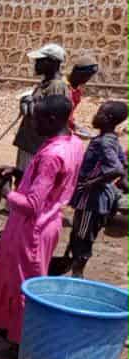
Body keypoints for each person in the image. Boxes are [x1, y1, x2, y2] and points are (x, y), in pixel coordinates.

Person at [0, 95, 84, 349]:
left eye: (35, 119)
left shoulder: (52, 155)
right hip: (48, 223)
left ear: (51, 119)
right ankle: (7, 326)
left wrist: (5, 191)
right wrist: (20, 174)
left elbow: (32, 205)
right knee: (14, 278)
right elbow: (52, 185)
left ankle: (22, 344)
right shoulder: (73, 144)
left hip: (32, 227)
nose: (32, 125)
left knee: (25, 285)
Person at [67, 101, 128, 278]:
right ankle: (74, 268)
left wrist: (93, 182)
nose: (95, 115)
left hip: (92, 200)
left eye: (99, 112)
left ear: (108, 119)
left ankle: (77, 275)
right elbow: (122, 164)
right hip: (95, 198)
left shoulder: (104, 142)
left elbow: (116, 169)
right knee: (79, 234)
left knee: (82, 237)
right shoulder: (111, 139)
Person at [11, 43, 69, 173]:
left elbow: (51, 117)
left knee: (27, 179)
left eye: (40, 61)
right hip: (29, 141)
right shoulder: (44, 84)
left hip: (37, 145)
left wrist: (31, 104)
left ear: (52, 63)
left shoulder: (57, 87)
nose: (36, 64)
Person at [67, 53, 100, 133]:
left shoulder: (78, 88)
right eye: (87, 76)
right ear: (78, 73)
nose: (88, 79)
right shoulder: (63, 87)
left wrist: (74, 125)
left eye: (90, 76)